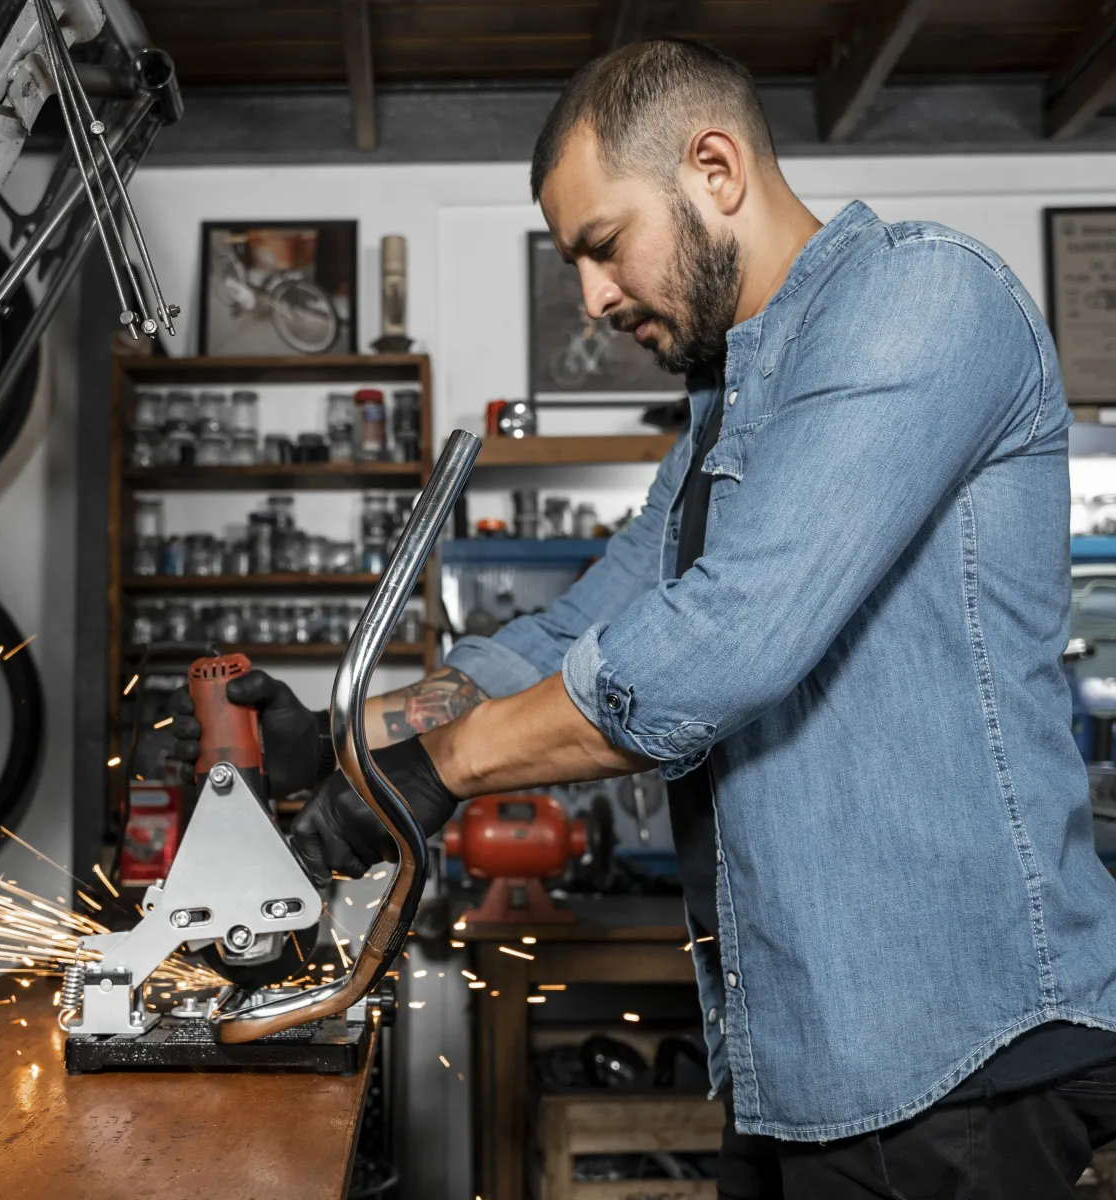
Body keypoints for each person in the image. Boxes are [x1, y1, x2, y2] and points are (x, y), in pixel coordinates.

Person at [171, 40, 1116, 1198]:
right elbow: (583, 625)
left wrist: (434, 772)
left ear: (714, 169)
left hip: (961, 1053)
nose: (593, 299)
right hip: (799, 1054)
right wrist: (345, 734)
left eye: (603, 248)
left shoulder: (921, 302)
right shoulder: (728, 412)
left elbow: (720, 647)